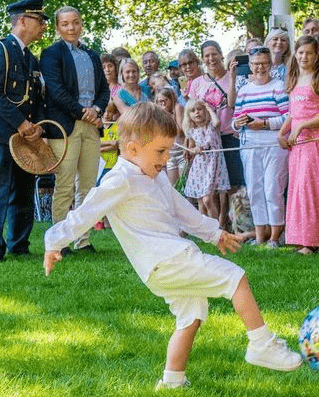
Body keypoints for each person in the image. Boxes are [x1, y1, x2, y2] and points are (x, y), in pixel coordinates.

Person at [43, 102, 302, 390]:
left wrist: (215, 235)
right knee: (235, 278)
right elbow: (84, 213)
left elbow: (182, 210)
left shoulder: (154, 175)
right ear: (131, 150)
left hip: (161, 266)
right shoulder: (120, 180)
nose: (166, 159)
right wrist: (53, 242)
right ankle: (261, 344)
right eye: (160, 151)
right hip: (167, 260)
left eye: (168, 151)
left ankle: (171, 382)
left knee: (190, 317)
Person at [40, 5, 110, 255]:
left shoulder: (92, 55)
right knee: (65, 183)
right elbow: (56, 92)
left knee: (89, 186)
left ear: (81, 24)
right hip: (65, 126)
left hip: (91, 126)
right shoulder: (51, 54)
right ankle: (60, 241)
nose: (71, 28)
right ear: (58, 28)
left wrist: (98, 111)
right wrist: (84, 112)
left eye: (75, 22)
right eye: (65, 24)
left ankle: (83, 239)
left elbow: (104, 90)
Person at [0, 0, 47, 260]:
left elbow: (38, 97)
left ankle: (19, 246)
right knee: (1, 192)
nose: (43, 26)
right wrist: (21, 123)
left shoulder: (32, 58)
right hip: (3, 136)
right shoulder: (2, 50)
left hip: (27, 139)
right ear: (22, 21)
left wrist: (37, 126)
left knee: (24, 193)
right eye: (39, 21)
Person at [278, 36, 319, 255]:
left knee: (311, 188)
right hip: (297, 143)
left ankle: (312, 240)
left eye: (309, 53)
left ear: (316, 55)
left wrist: (301, 128)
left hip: (315, 140)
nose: (304, 57)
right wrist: (283, 132)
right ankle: (298, 237)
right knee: (297, 188)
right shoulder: (294, 79)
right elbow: (294, 113)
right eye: (301, 52)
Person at [232, 46, 290, 247]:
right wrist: (238, 123)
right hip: (249, 144)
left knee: (273, 188)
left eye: (264, 63)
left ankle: (274, 236)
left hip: (273, 143)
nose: (260, 68)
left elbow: (287, 117)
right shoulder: (244, 91)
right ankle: (259, 235)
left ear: (270, 64)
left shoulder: (279, 86)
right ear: (250, 65)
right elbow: (234, 120)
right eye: (256, 64)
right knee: (255, 189)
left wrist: (264, 123)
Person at [189, 40, 246, 230]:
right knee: (208, 185)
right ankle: (214, 224)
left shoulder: (232, 77)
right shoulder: (197, 83)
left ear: (221, 54)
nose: (211, 58)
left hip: (227, 134)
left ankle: (232, 222)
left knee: (230, 183)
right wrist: (190, 143)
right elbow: (191, 113)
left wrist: (231, 76)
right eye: (207, 56)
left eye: (214, 54)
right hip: (205, 140)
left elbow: (231, 104)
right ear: (202, 59)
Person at [182, 99, 230, 219]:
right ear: (189, 115)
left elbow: (217, 122)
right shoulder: (192, 131)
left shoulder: (211, 126)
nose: (197, 113)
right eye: (193, 111)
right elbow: (191, 148)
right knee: (201, 201)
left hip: (213, 165)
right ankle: (205, 230)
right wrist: (191, 150)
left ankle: (216, 227)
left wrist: (208, 108)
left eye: (200, 109)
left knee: (208, 199)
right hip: (200, 167)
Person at [155, 87, 185, 186]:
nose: (163, 104)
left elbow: (178, 131)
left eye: (165, 101)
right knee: (174, 186)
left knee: (184, 185)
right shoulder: (159, 114)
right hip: (170, 153)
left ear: (171, 99)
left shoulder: (178, 108)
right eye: (160, 102)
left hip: (182, 151)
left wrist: (167, 115)